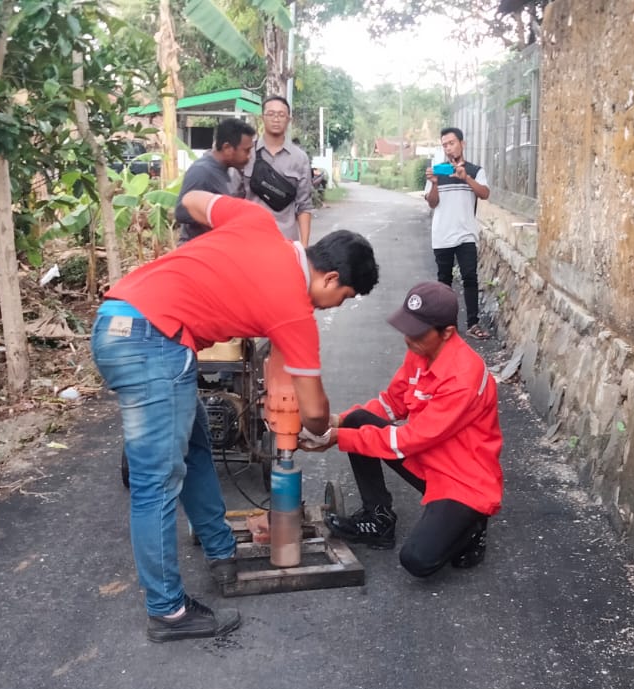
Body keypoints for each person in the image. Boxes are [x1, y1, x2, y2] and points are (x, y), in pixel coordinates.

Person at [92, 190, 379, 642]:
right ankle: (167, 613)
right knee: (157, 481)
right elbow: (316, 413)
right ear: (331, 278)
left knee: (198, 445)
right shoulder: (293, 310)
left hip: (123, 315)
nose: (333, 307)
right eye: (342, 298)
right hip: (151, 341)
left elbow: (192, 201)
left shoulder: (257, 221)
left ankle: (220, 547)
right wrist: (326, 431)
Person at [308, 281, 504, 577]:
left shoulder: (463, 376)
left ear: (447, 333)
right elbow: (391, 403)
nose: (407, 339)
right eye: (406, 328)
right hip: (427, 459)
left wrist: (338, 437)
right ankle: (378, 520)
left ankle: (474, 525)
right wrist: (335, 421)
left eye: (417, 332)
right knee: (357, 420)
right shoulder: (421, 351)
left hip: (463, 479)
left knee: (418, 561)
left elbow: (407, 440)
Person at [423, 127, 492, 339]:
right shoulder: (438, 171)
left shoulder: (475, 170)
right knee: (444, 281)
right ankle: (447, 325)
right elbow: (432, 203)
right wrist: (434, 184)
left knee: (470, 277)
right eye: (444, 144)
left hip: (466, 234)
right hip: (442, 234)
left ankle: (473, 323)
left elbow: (485, 193)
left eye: (452, 142)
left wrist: (466, 178)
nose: (448, 147)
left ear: (462, 143)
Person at [239, 96, 315, 246]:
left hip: (285, 241)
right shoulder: (246, 153)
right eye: (271, 114)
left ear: (289, 120)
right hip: (249, 239)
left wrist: (304, 248)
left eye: (281, 115)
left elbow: (304, 205)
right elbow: (233, 198)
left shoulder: (300, 158)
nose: (276, 119)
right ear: (262, 118)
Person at [176, 118, 256, 243]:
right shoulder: (202, 171)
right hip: (198, 252)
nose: (249, 156)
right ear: (227, 148)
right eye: (246, 150)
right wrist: (217, 212)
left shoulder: (226, 170)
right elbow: (181, 211)